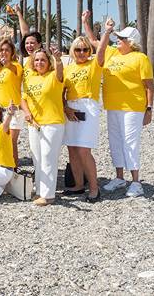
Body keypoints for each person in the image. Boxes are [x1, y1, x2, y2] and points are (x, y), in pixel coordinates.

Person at [83, 12, 154, 198]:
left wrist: (149, 109)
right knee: (115, 141)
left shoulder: (141, 58)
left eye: (121, 39)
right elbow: (92, 40)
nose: (117, 41)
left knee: (130, 143)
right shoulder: (111, 52)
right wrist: (86, 22)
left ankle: (136, 182)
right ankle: (119, 177)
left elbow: (149, 85)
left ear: (131, 42)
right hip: (112, 106)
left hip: (133, 107)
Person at [63, 16, 111, 202]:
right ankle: (78, 185)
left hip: (88, 107)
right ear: (73, 51)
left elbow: (101, 51)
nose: (82, 52)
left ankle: (94, 188)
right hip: (71, 109)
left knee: (84, 151)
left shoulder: (94, 65)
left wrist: (106, 32)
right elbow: (61, 91)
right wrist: (66, 107)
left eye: (85, 49)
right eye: (78, 49)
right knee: (72, 149)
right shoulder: (68, 69)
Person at [20, 47, 65, 206]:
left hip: (52, 123)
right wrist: (27, 113)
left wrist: (58, 59)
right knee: (37, 159)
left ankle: (48, 195)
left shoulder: (53, 76)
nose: (39, 63)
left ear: (49, 62)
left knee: (48, 158)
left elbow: (60, 73)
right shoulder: (30, 77)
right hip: (34, 124)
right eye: (37, 60)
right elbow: (23, 98)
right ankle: (39, 190)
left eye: (43, 60)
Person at [0, 38, 23, 165]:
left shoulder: (15, 66)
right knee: (2, 141)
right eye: (1, 50)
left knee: (11, 141)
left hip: (14, 110)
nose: (3, 52)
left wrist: (7, 63)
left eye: (7, 50)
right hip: (1, 110)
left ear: (12, 52)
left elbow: (13, 69)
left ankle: (14, 170)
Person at [14, 5, 43, 77]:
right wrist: (18, 13)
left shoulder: (43, 60)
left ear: (39, 44)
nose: (29, 45)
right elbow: (25, 33)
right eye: (27, 43)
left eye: (32, 43)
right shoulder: (29, 60)